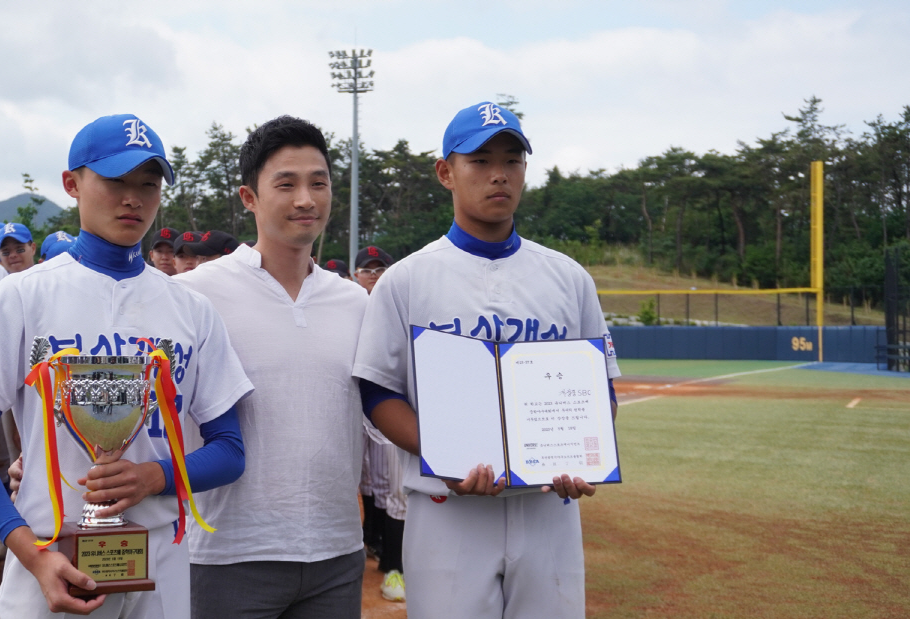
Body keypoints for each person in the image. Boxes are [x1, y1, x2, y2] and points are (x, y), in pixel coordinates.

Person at [0, 113, 253, 619]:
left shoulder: (191, 309)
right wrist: (29, 551)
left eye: (148, 184)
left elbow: (230, 450)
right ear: (72, 184)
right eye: (115, 180)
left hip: (160, 557)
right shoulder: (22, 295)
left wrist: (154, 476)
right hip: (51, 553)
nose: (133, 198)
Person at [352, 102, 620, 619]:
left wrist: (583, 456)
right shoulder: (407, 279)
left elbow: (599, 389)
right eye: (480, 160)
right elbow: (379, 393)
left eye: (512, 160)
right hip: (446, 507)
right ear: (445, 172)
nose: (499, 174)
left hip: (548, 505)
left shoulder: (569, 277)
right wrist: (446, 454)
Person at [175, 115, 369, 619]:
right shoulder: (194, 295)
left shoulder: (355, 302)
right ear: (249, 197)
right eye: (286, 184)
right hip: (228, 554)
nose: (306, 199)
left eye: (318, 183)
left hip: (336, 553)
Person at [350, 243, 407, 601]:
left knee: (392, 485)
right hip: (349, 406)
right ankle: (367, 539)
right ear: (355, 275)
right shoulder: (347, 305)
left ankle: (393, 565)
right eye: (367, 270)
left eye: (379, 269)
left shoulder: (398, 305)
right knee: (362, 481)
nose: (373, 275)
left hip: (386, 406)